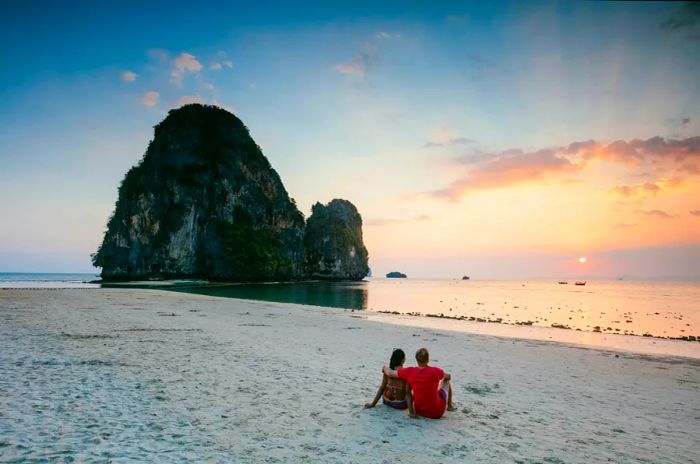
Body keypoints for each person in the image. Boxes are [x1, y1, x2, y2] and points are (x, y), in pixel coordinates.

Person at [382, 347, 455, 419]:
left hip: (419, 411)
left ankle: (448, 405)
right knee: (446, 381)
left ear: (416, 359)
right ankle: (449, 406)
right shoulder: (436, 371)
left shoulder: (409, 372)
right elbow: (448, 376)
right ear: (428, 360)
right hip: (436, 413)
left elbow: (390, 373)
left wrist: (384, 367)